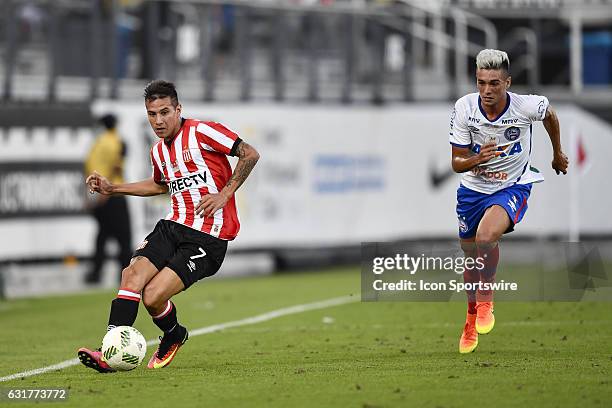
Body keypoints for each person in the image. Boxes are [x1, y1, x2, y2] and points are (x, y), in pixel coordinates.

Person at [78, 80, 260, 371]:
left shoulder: (203, 132)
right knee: (131, 275)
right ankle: (109, 349)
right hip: (172, 225)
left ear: (178, 109)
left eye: (165, 112)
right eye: (152, 114)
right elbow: (159, 185)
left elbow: (250, 153)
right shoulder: (159, 151)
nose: (159, 121)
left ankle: (173, 334)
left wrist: (224, 194)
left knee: (153, 296)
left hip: (207, 237)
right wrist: (112, 189)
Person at [449, 49, 568, 354]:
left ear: (507, 82)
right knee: (470, 256)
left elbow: (550, 114)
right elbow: (456, 163)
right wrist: (477, 158)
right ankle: (470, 316)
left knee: (486, 236)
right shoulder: (464, 108)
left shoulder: (525, 106)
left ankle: (487, 298)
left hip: (512, 186)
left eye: (494, 83)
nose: (487, 91)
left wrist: (557, 152)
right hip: (472, 190)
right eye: (481, 83)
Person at [84, 113, 132, 284]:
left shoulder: (96, 144)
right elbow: (115, 167)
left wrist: (93, 195)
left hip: (99, 195)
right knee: (124, 238)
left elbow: (90, 167)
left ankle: (95, 274)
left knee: (102, 236)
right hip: (114, 194)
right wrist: (106, 191)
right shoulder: (118, 142)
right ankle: (125, 275)